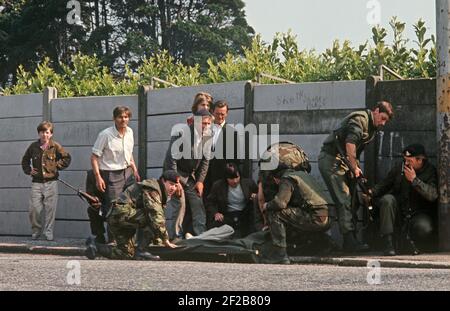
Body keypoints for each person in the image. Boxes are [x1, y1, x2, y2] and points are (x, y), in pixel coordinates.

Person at [318, 101, 394, 252]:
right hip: (331, 160)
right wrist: (354, 167)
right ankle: (348, 241)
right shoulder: (360, 120)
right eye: (383, 118)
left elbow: (355, 152)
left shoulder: (371, 127)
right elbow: (350, 145)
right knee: (343, 197)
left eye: (385, 121)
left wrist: (356, 169)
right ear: (376, 111)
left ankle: (352, 238)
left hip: (343, 161)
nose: (383, 123)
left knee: (354, 199)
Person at [85, 170, 180, 260]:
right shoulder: (153, 189)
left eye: (176, 185)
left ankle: (95, 246)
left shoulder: (161, 192)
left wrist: (158, 241)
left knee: (126, 253)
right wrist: (165, 240)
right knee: (152, 217)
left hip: (118, 217)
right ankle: (142, 250)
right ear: (163, 181)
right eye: (171, 184)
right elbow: (156, 215)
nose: (173, 188)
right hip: (121, 215)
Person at [371, 144, 438, 256]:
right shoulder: (400, 167)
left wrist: (414, 180)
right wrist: (371, 192)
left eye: (409, 161)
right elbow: (385, 184)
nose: (406, 163)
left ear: (420, 160)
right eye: (405, 160)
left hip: (418, 213)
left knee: (424, 227)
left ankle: (414, 245)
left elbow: (432, 195)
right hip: (400, 212)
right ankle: (388, 243)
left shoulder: (430, 171)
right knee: (388, 199)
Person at [260, 164, 333, 264]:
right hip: (329, 217)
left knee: (275, 212)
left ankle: (280, 254)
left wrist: (266, 205)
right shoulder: (301, 174)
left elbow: (280, 203)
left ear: (275, 179)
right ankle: (324, 244)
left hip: (317, 217)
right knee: (292, 214)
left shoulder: (286, 179)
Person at [90, 106, 140, 243]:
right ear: (114, 119)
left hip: (128, 172)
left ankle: (128, 240)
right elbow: (94, 157)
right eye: (120, 117)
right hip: (110, 174)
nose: (123, 120)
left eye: (125, 117)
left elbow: (129, 154)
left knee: (130, 206)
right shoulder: (105, 135)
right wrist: (98, 177)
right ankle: (112, 241)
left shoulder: (130, 132)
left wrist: (134, 169)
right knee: (113, 208)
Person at [163, 108, 212, 236]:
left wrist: (200, 181)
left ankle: (201, 236)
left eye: (208, 123)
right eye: (203, 123)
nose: (206, 126)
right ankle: (174, 237)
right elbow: (171, 158)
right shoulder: (181, 134)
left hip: (190, 176)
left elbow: (206, 161)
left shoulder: (208, 136)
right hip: (175, 173)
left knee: (198, 202)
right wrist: (175, 181)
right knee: (180, 204)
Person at [21, 121, 71, 240]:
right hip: (36, 183)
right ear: (39, 133)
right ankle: (36, 231)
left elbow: (67, 158)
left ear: (51, 134)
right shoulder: (33, 147)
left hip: (51, 183)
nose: (44, 135)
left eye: (47, 132)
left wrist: (55, 167)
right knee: (34, 209)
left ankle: (48, 232)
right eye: (42, 132)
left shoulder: (56, 146)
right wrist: (29, 170)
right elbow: (25, 160)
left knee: (50, 209)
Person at [205, 163, 258, 238]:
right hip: (227, 215)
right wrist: (215, 213)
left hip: (244, 215)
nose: (235, 181)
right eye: (231, 179)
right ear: (226, 178)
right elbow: (210, 202)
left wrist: (255, 196)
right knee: (217, 229)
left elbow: (259, 194)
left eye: (237, 177)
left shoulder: (248, 183)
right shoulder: (218, 186)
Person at [204, 100, 243, 197]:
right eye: (217, 114)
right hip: (204, 176)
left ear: (227, 113)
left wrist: (230, 177)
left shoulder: (232, 133)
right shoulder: (205, 129)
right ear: (212, 112)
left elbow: (235, 159)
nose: (220, 117)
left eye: (222, 114)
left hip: (222, 177)